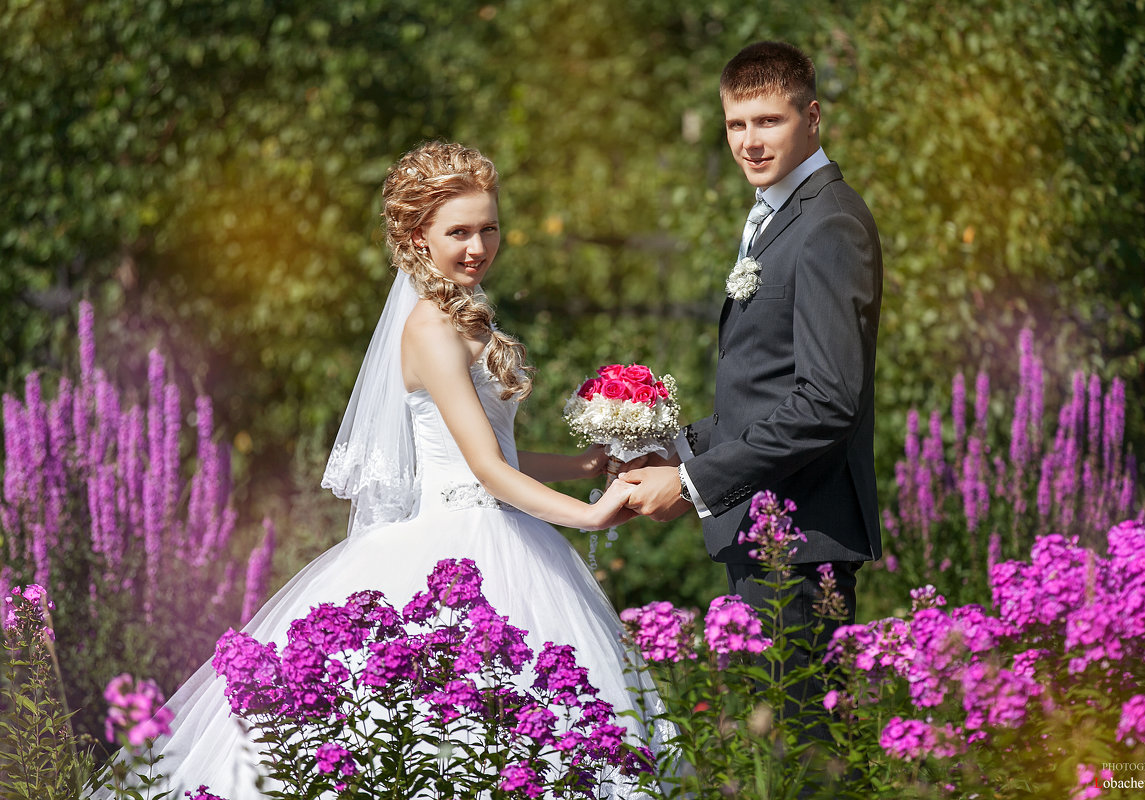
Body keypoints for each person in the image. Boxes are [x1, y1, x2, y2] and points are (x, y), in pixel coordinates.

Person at [96, 142, 664, 798]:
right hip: (463, 538)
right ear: (417, 237)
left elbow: (492, 451)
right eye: (459, 232)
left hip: (505, 526)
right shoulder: (429, 326)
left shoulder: (468, 311)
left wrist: (583, 463)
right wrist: (590, 513)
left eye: (489, 227)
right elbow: (481, 469)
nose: (479, 245)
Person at [622, 41, 883, 715]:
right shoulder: (777, 217)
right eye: (736, 124)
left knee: (810, 762)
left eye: (768, 121)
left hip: (798, 545)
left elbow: (827, 401)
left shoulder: (828, 224)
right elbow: (767, 387)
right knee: (784, 758)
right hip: (765, 534)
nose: (749, 142)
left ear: (812, 116)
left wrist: (691, 483)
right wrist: (680, 452)